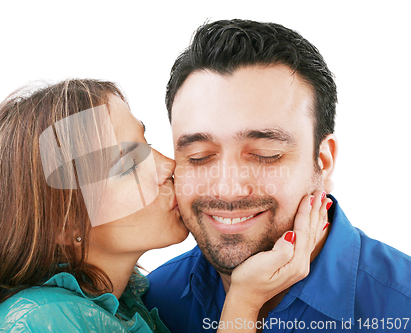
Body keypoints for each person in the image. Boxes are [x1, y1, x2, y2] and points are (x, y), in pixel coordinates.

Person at [0, 79, 328, 333]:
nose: (169, 166)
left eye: (147, 143)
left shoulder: (130, 304)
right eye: (126, 164)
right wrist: (243, 302)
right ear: (61, 221)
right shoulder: (42, 324)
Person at [143, 19, 411, 332]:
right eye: (199, 157)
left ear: (323, 161)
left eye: (265, 155)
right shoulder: (152, 305)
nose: (228, 189)